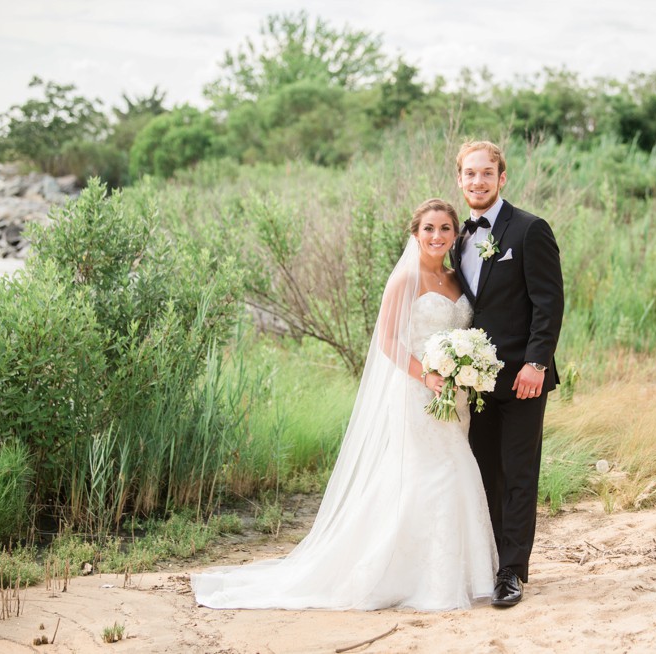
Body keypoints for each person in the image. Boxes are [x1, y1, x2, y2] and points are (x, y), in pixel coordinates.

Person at [192, 199, 497, 611]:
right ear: (415, 233)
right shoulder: (405, 279)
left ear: (454, 233)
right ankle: (416, 577)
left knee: (452, 471)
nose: (437, 236)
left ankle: (455, 574)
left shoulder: (455, 277)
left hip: (454, 398)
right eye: (429, 228)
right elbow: (388, 341)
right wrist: (427, 375)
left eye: (445, 228)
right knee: (435, 475)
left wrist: (464, 367)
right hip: (417, 392)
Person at [452, 140, 564, 608]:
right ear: (460, 180)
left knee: (518, 473)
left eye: (486, 173)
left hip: (523, 376)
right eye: (469, 174)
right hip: (476, 384)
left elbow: (549, 301)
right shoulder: (456, 237)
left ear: (502, 179)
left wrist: (537, 362)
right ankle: (489, 560)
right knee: (483, 474)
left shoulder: (530, 230)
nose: (478, 181)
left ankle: (512, 572)